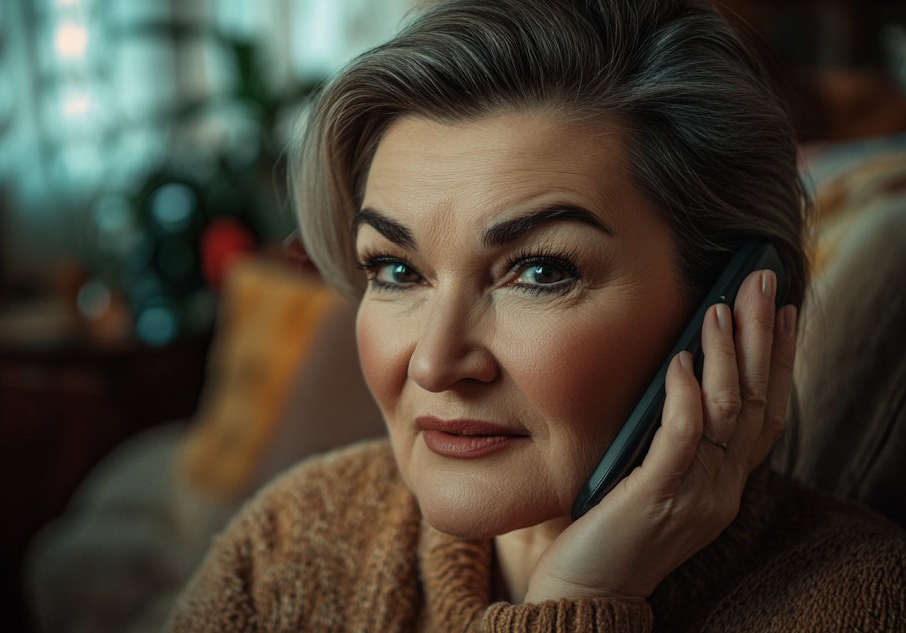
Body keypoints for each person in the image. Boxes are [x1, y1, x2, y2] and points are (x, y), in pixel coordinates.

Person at [166, 0, 906, 630]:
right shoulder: (287, 546)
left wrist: (582, 598)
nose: (434, 362)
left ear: (734, 300)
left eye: (541, 271)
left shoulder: (860, 600)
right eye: (396, 270)